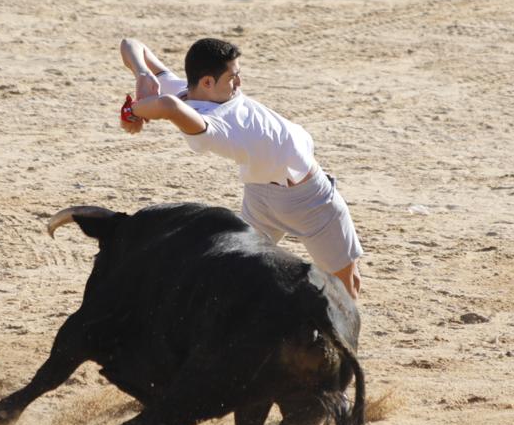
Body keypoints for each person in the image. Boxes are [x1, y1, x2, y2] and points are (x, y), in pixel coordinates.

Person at [119, 37, 364, 299]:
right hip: (309, 199)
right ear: (207, 82)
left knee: (240, 275)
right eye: (232, 77)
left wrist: (143, 74)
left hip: (260, 195)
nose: (239, 83)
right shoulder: (209, 124)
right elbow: (168, 107)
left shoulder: (184, 89)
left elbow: (130, 44)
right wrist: (132, 111)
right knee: (345, 289)